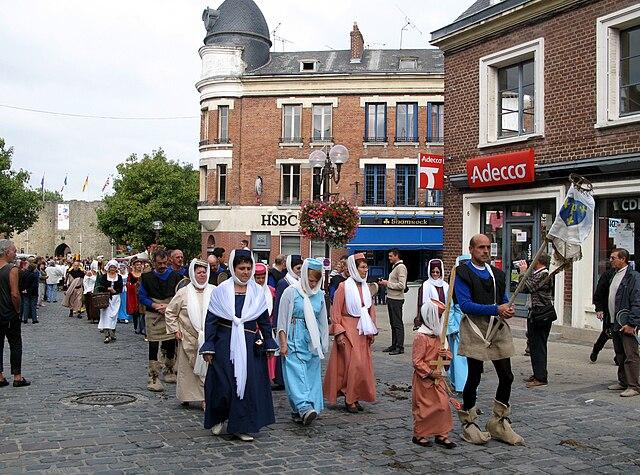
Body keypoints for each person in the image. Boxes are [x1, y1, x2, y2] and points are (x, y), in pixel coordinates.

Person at [201, 249, 277, 441]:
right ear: (233, 268)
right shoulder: (221, 291)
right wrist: (209, 344)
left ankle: (241, 425)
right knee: (223, 384)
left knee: (247, 385)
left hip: (250, 344)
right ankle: (219, 416)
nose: (245, 272)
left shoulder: (257, 293)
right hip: (224, 343)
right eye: (241, 268)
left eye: (248, 268)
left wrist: (268, 341)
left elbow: (264, 320)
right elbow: (211, 320)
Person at [454, 234, 522, 446]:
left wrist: (507, 309)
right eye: (481, 247)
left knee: (507, 375)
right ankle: (469, 422)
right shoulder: (462, 273)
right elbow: (465, 304)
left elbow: (502, 299)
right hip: (476, 328)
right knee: (474, 376)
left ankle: (499, 421)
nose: (485, 251)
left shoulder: (497, 274)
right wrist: (496, 308)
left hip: (496, 326)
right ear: (472, 249)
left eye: (488, 247)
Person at [323, 253, 377, 413]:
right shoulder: (343, 287)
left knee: (363, 366)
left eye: (366, 267)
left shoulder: (366, 287)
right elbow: (336, 310)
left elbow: (371, 309)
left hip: (362, 330)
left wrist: (372, 329)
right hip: (348, 329)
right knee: (353, 364)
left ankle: (356, 395)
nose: (365, 270)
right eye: (362, 267)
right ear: (355, 268)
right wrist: (338, 331)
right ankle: (349, 397)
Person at [277, 258, 329, 425]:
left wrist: (322, 342)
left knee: (311, 375)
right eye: (311, 281)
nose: (313, 285)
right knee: (295, 373)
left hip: (311, 340)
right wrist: (283, 343)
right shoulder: (291, 292)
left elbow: (322, 320)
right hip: (294, 337)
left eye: (316, 281)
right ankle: (303, 406)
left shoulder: (320, 295)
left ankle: (304, 408)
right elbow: (282, 319)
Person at [165, 259, 215, 407]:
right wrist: (175, 329)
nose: (202, 275)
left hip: (208, 338)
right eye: (199, 272)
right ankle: (187, 395)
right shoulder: (183, 292)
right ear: (192, 274)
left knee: (208, 368)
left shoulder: (214, 290)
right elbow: (170, 312)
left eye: (204, 272)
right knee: (188, 371)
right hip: (188, 337)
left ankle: (206, 398)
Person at [412, 296, 455, 449]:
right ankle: (420, 434)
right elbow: (417, 361)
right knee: (425, 407)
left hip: (439, 377)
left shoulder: (440, 336)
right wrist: (430, 372)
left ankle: (442, 434)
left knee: (443, 405)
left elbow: (448, 356)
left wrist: (445, 355)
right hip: (425, 379)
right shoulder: (421, 336)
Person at [597, 248, 640, 397]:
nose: (610, 260)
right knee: (620, 353)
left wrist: (632, 323)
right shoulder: (613, 275)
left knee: (631, 355)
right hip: (614, 322)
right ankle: (623, 381)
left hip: (626, 322)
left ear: (623, 259)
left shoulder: (633, 277)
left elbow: (637, 301)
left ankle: (634, 385)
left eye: (613, 258)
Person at [139, 250, 182, 392]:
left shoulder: (176, 276)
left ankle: (169, 369)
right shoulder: (146, 277)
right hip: (153, 315)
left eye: (165, 263)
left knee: (170, 342)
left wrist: (169, 306)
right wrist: (155, 305)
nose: (163, 266)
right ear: (154, 263)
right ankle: (153, 376)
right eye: (160, 263)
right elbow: (142, 296)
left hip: (170, 313)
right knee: (153, 345)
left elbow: (180, 295)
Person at [519, 254, 555, 388]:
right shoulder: (537, 273)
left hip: (541, 314)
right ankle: (537, 373)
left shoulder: (544, 274)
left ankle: (541, 377)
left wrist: (523, 272)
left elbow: (526, 287)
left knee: (539, 345)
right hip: (534, 313)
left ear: (538, 261)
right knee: (533, 345)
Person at [0, 240, 30, 387]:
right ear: (7, 252)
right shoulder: (12, 269)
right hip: (8, 313)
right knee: (15, 344)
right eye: (14, 251)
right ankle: (17, 376)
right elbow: (15, 294)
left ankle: (0, 376)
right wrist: (17, 309)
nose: (15, 253)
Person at [272, 254, 303, 389]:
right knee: (284, 349)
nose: (300, 271)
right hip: (285, 322)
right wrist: (277, 325)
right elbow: (278, 305)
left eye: (301, 268)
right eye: (297, 268)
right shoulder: (284, 283)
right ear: (291, 268)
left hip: (297, 324)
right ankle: (281, 379)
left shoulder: (301, 282)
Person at [446, 255, 470, 393]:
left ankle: (467, 383)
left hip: (470, 322)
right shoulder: (454, 284)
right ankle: (459, 383)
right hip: (458, 322)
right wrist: (452, 327)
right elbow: (449, 306)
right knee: (458, 355)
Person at [379, 248, 407, 355]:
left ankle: (400, 347)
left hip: (397, 299)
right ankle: (394, 344)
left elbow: (401, 285)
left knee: (397, 323)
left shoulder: (401, 267)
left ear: (396, 256)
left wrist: (387, 283)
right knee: (393, 323)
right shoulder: (395, 267)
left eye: (391, 256)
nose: (389, 258)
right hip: (391, 298)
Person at [254, 263, 276, 381]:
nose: (260, 280)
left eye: (263, 277)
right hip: (253, 330)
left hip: (267, 328)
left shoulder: (272, 291)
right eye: (258, 278)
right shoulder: (249, 291)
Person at [95, 260, 123, 344]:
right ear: (108, 268)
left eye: (114, 267)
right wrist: (107, 289)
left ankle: (112, 332)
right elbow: (100, 286)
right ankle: (106, 335)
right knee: (105, 316)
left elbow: (120, 288)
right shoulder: (104, 277)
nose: (112, 269)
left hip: (116, 298)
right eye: (111, 267)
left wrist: (115, 291)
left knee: (114, 316)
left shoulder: (119, 277)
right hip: (106, 299)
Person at [127, 258, 145, 335]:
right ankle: (136, 327)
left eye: (140, 265)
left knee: (143, 311)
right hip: (134, 295)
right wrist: (134, 286)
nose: (139, 266)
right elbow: (128, 284)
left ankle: (142, 327)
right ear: (134, 266)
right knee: (136, 311)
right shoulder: (131, 274)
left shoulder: (144, 274)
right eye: (137, 265)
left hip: (143, 294)